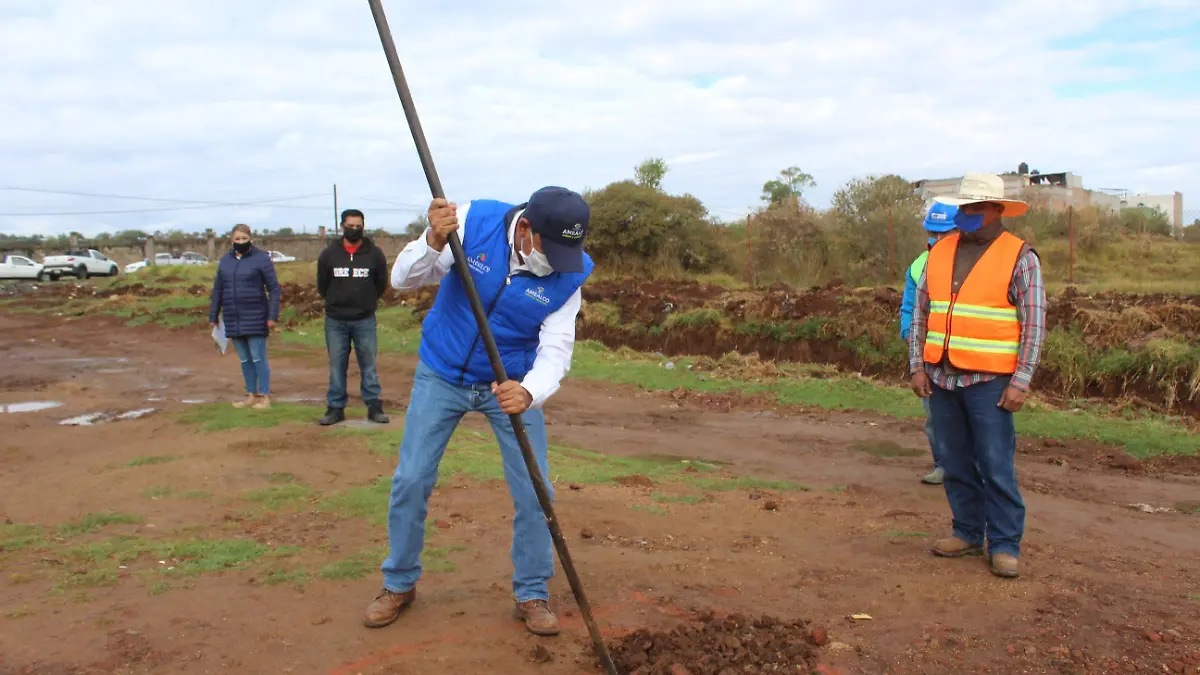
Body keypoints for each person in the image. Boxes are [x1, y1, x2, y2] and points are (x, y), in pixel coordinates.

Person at [364, 186, 593, 637]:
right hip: (442, 371)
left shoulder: (570, 275)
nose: (557, 264)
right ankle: (399, 583)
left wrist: (529, 392)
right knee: (411, 479)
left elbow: (556, 350)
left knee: (536, 490)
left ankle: (531, 592)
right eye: (551, 250)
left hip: (509, 382)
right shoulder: (472, 222)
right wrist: (432, 240)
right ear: (525, 228)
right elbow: (403, 279)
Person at [908, 173, 1046, 579]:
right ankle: (966, 532)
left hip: (991, 383)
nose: (968, 213)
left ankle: (1004, 544)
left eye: (977, 207)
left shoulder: (1020, 257)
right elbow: (921, 314)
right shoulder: (939, 252)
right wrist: (917, 365)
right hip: (942, 378)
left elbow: (1034, 324)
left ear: (997, 210)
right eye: (964, 206)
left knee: (995, 465)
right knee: (954, 461)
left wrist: (1021, 381)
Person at [316, 209, 391, 426]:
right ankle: (335, 408)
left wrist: (366, 301)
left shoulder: (374, 254)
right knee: (336, 365)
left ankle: (374, 407)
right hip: (335, 320)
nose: (355, 230)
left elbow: (381, 283)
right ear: (342, 226)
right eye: (350, 226)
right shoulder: (329, 254)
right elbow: (322, 285)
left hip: (364, 320)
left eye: (359, 226)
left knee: (368, 364)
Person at [900, 202, 957, 486]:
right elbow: (909, 308)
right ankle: (943, 466)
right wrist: (910, 338)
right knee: (935, 417)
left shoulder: (971, 262)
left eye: (944, 232)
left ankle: (973, 470)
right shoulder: (919, 265)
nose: (937, 238)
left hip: (966, 355)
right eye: (933, 232)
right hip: (931, 356)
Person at [208, 224, 281, 409]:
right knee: (244, 359)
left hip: (256, 316)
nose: (241, 242)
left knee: (258, 358)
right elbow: (218, 289)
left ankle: (264, 396)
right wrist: (213, 315)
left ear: (250, 239)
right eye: (237, 239)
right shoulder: (225, 261)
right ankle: (250, 394)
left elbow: (274, 288)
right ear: (231, 240)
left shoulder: (261, 259)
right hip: (233, 317)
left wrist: (272, 316)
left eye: (244, 238)